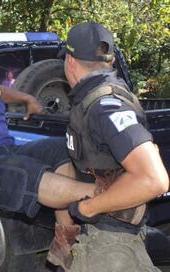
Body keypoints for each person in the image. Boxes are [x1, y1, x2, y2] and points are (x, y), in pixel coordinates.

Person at [0, 29, 97, 252]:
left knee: (60, 148)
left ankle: (66, 241)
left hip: (7, 151)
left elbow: (3, 92)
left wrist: (28, 99)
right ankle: (106, 197)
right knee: (24, 171)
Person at [58, 22, 169, 272]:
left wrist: (87, 208)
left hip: (112, 243)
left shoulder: (105, 105)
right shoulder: (99, 99)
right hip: (107, 234)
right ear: (110, 62)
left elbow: (154, 180)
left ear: (70, 61)